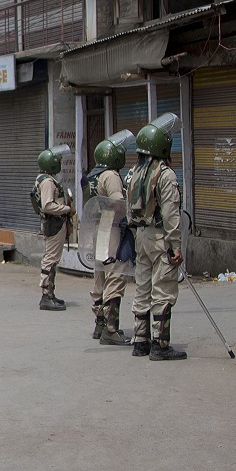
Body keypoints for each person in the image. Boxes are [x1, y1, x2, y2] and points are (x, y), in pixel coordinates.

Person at [126, 113, 186, 360]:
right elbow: (171, 214)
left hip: (141, 236)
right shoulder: (165, 174)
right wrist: (176, 245)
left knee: (142, 287)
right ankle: (160, 345)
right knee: (163, 289)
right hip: (161, 238)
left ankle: (140, 342)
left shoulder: (135, 172)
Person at [87, 131, 134, 344]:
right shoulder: (111, 175)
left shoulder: (93, 175)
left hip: (97, 228)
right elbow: (118, 203)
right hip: (111, 226)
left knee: (100, 274)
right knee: (115, 272)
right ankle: (111, 328)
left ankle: (99, 323)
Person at [32, 145, 74, 311]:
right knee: (50, 259)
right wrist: (67, 209)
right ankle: (46, 296)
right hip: (54, 223)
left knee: (53, 258)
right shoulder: (48, 182)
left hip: (53, 223)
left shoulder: (43, 179)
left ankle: (50, 293)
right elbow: (48, 205)